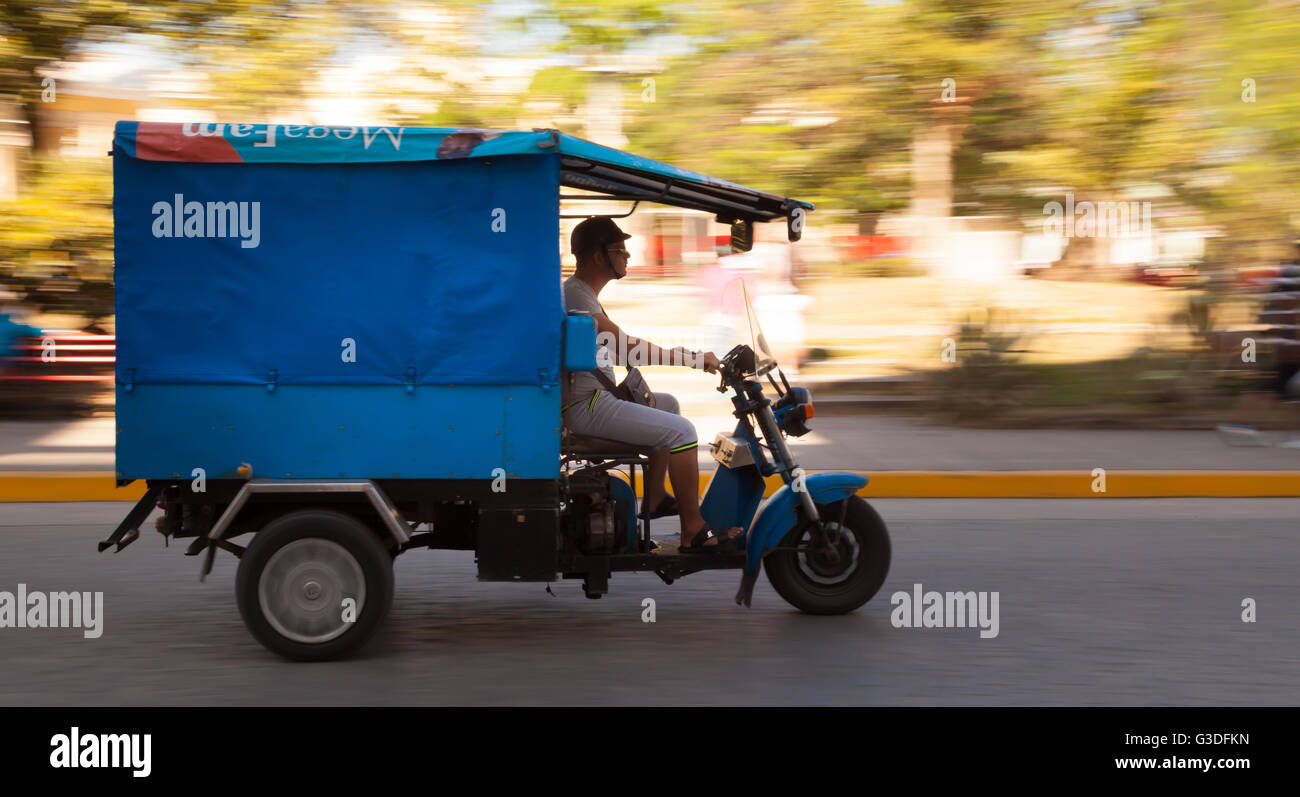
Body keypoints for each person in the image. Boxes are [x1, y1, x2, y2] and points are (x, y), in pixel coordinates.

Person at [562, 217, 740, 553]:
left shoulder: (582, 294)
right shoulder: (576, 296)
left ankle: (655, 498)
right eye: (619, 250)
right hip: (584, 407)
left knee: (668, 404)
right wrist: (694, 359)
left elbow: (618, 347)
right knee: (683, 432)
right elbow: (629, 349)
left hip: (592, 399)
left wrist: (690, 355)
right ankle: (693, 528)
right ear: (599, 257)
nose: (627, 256)